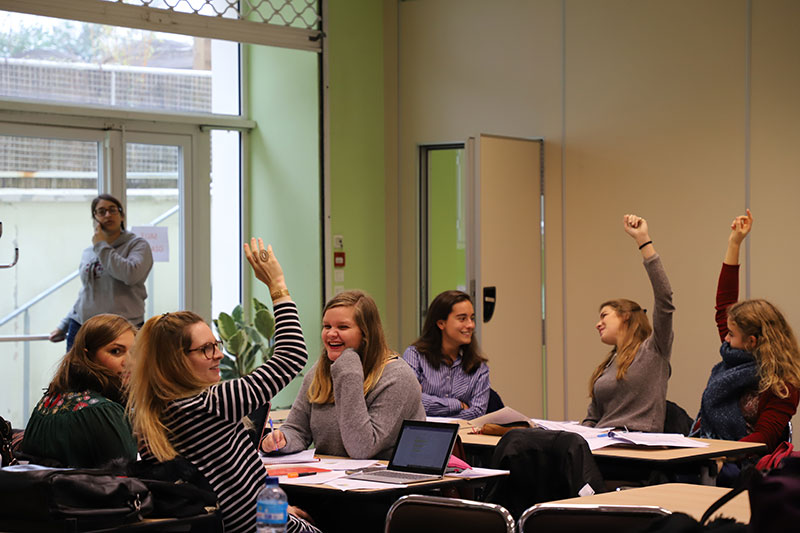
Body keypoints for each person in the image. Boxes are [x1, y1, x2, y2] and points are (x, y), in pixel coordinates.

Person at [127, 239, 317, 533]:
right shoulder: (209, 404)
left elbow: (229, 487)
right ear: (176, 361)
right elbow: (292, 356)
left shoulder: (154, 414)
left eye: (216, 344)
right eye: (205, 349)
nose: (219, 354)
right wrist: (277, 284)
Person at [262, 290, 425, 460]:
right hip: (330, 479)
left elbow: (362, 448)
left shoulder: (398, 377)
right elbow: (297, 429)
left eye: (343, 327)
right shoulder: (320, 371)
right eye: (327, 326)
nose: (331, 334)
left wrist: (349, 370)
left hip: (385, 482)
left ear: (366, 333)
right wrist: (281, 440)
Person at [690, 210, 800, 452]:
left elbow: (764, 438)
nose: (725, 339)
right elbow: (724, 304)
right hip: (709, 454)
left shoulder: (784, 382)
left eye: (731, 334)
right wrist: (734, 242)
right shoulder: (735, 356)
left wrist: (718, 453)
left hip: (743, 466)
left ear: (752, 341)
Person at [581, 214, 674, 432]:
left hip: (638, 448)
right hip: (603, 444)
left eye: (604, 315)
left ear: (626, 315)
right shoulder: (608, 364)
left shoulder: (654, 350)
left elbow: (665, 298)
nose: (598, 324)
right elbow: (593, 418)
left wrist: (644, 241)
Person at [22, 314, 137, 468]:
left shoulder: (48, 400)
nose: (129, 362)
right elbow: (125, 479)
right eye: (116, 351)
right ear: (87, 355)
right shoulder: (104, 411)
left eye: (134, 353)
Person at [50, 194, 153, 351]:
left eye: (113, 210)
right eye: (101, 211)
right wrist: (64, 325)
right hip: (83, 327)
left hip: (122, 329)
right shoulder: (89, 251)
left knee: (123, 375)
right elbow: (87, 293)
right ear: (95, 218)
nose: (108, 215)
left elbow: (131, 275)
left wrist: (101, 246)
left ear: (122, 215)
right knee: (76, 375)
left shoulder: (137, 245)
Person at [402, 290, 490, 419]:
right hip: (421, 435)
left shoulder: (479, 367)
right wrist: (457, 404)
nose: (470, 325)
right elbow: (410, 401)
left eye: (472, 318)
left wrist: (429, 405)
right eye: (462, 319)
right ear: (441, 323)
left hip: (462, 437)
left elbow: (477, 413)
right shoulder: (415, 356)